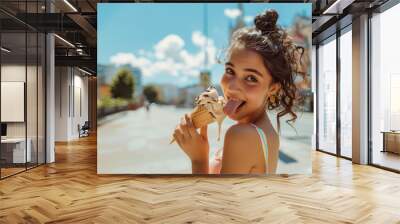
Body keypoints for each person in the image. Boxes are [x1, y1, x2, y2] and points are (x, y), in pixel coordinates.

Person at [173, 9, 304, 174]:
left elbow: (211, 200)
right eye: (230, 71)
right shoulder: (267, 132)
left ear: (272, 88)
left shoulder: (241, 135)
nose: (232, 87)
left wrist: (198, 159)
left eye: (251, 78)